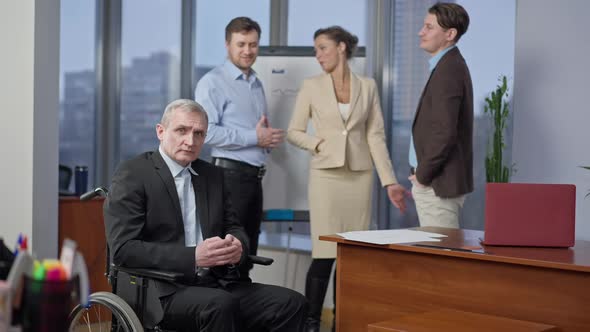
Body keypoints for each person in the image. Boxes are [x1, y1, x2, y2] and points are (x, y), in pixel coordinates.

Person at [104, 99, 306, 331]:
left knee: (291, 303)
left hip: (216, 282)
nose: (190, 141)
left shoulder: (213, 175)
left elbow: (234, 227)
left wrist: (237, 245)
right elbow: (123, 250)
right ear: (161, 131)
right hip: (161, 290)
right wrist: (194, 256)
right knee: (220, 305)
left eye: (199, 133)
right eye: (182, 130)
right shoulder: (133, 174)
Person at [287, 26, 408, 332]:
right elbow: (294, 131)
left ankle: (345, 320)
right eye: (316, 50)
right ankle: (311, 322)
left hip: (360, 176)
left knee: (351, 254)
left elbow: (375, 136)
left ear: (341, 47)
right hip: (326, 177)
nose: (318, 56)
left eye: (322, 48)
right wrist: (318, 144)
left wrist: (389, 181)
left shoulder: (367, 86)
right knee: (324, 252)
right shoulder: (312, 86)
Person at [195, 17, 283, 278]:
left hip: (253, 179)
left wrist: (263, 140)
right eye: (241, 44)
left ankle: (245, 317)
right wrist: (255, 138)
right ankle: (227, 317)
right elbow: (206, 132)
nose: (248, 50)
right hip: (229, 178)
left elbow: (255, 130)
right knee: (228, 257)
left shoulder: (256, 82)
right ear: (227, 45)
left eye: (253, 44)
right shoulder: (212, 82)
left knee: (247, 255)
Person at [408, 2, 474, 229]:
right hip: (435, 182)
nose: (421, 32)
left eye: (429, 27)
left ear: (450, 34)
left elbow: (444, 131)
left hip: (437, 184)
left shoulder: (449, 69)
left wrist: (423, 175)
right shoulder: (446, 65)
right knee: (437, 255)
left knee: (439, 257)